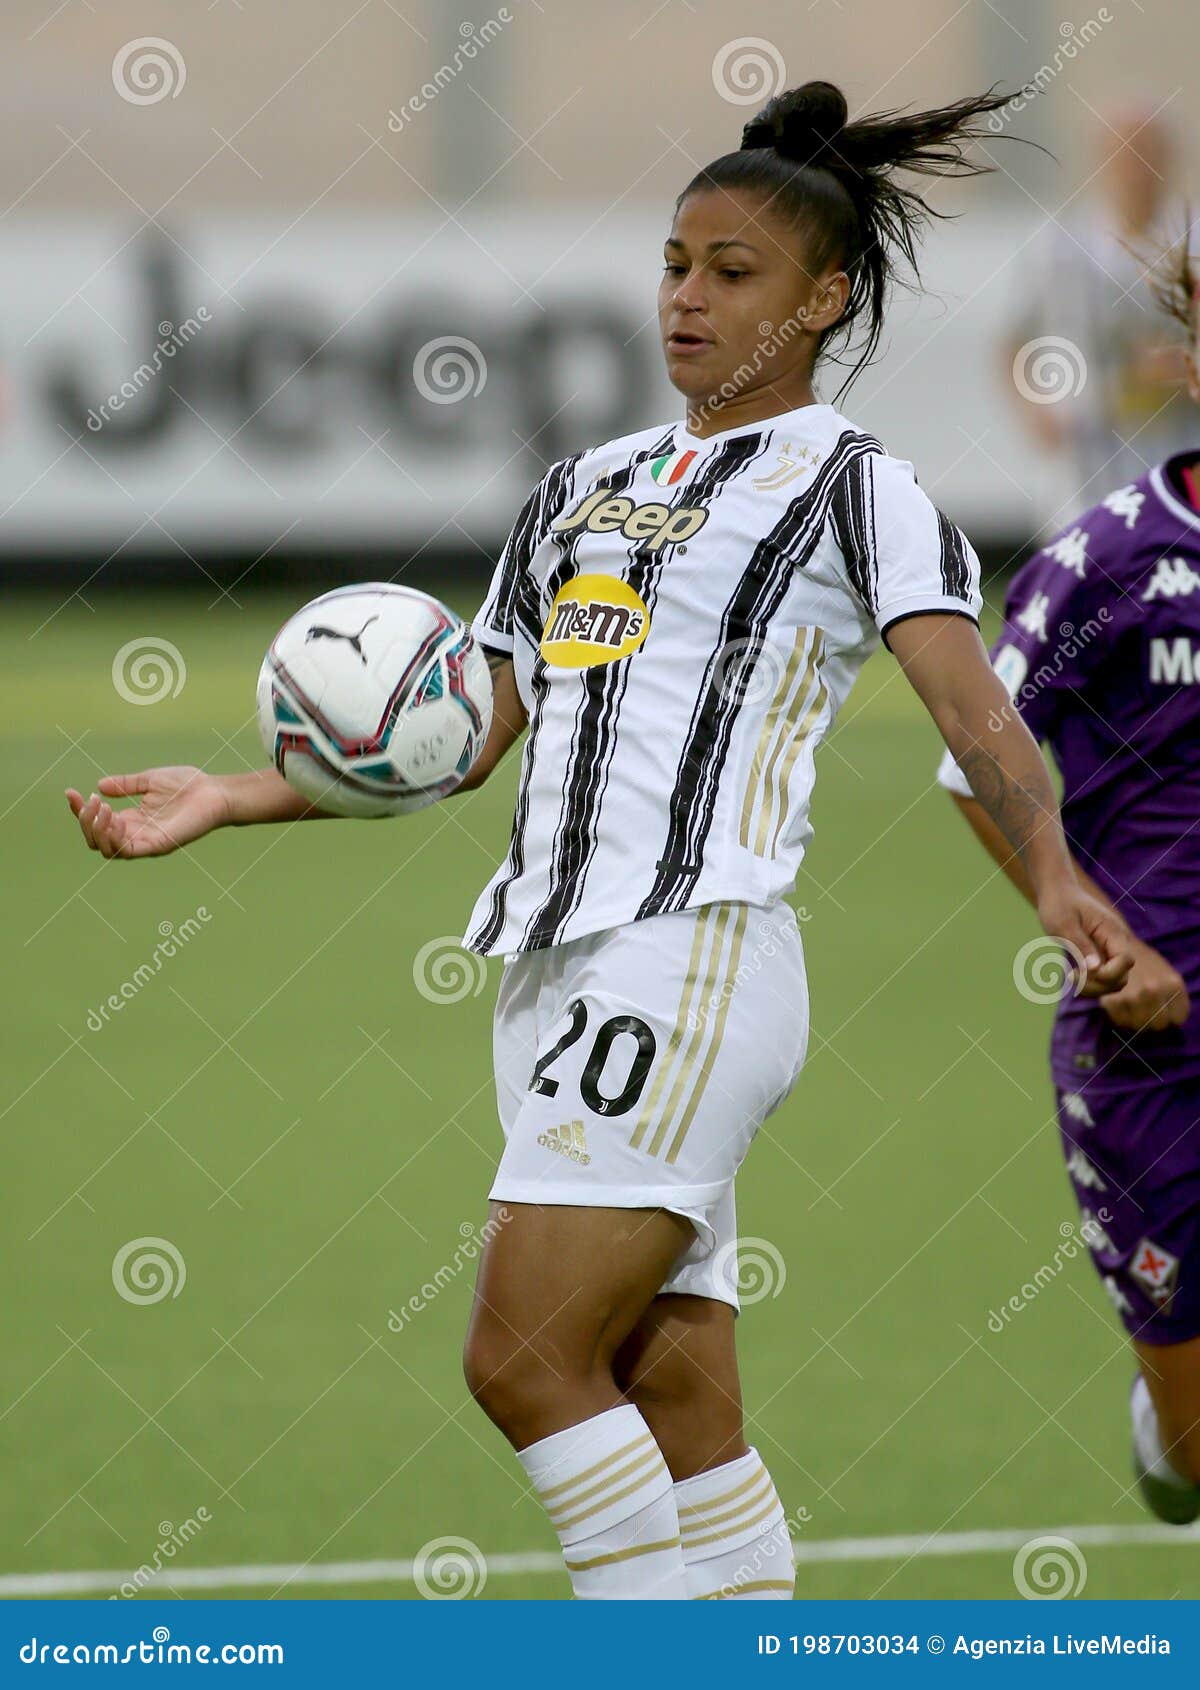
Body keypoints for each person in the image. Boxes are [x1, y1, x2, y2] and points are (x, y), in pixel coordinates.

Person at [67, 80, 1131, 1600]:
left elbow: (974, 711)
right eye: (676, 264)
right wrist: (240, 792)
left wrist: (1055, 875)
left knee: (521, 1354)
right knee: (675, 1398)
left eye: (733, 272)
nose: (688, 298)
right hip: (549, 973)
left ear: (826, 298)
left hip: (689, 956)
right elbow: (463, 733)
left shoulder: (858, 490)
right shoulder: (585, 488)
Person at [941, 234, 1200, 1525]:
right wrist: (1096, 936)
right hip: (1156, 1039)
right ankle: (1169, 1426)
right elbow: (974, 762)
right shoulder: (1105, 561)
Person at [1005, 103, 1193, 524]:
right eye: (1123, 153)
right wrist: (1032, 408)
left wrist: (1180, 369)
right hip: (1087, 469)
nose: (1135, 168)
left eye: (1145, 151)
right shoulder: (1059, 247)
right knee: (1091, 574)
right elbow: (1013, 339)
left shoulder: (1193, 243)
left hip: (1179, 454)